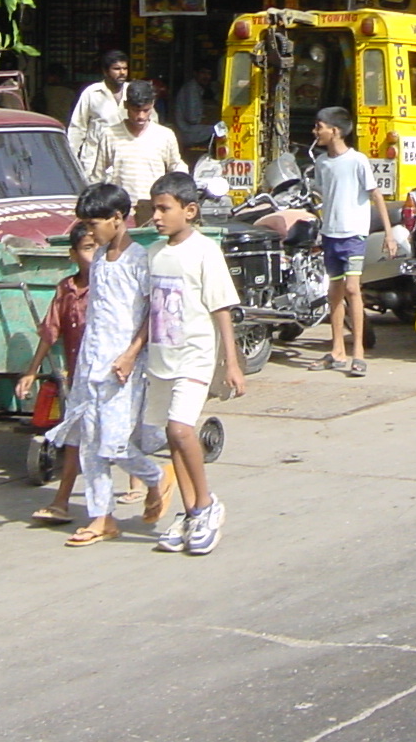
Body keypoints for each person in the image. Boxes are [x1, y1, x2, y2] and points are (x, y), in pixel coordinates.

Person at [43, 184, 170, 547]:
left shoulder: (139, 260)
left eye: (95, 223)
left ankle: (155, 476)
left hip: (123, 366)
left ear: (118, 220)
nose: (90, 231)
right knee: (89, 443)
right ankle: (102, 517)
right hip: (90, 362)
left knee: (113, 444)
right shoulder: (99, 260)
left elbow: (152, 314)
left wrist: (132, 354)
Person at [143, 171, 246, 555]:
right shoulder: (155, 253)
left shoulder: (205, 251)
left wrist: (231, 364)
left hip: (195, 358)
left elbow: (222, 310)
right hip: (161, 360)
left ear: (189, 211)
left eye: (164, 208)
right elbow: (148, 311)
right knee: (170, 436)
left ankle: (206, 505)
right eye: (154, 208)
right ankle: (189, 513)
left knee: (182, 429)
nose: (156, 216)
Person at [287, 106, 401, 379]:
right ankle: (337, 350)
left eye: (319, 127)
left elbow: (376, 196)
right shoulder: (322, 163)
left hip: (353, 235)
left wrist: (388, 233)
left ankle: (358, 353)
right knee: (334, 293)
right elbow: (323, 195)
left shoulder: (358, 160)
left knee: (352, 288)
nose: (315, 132)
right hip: (331, 234)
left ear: (334, 131)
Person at [17, 222, 95, 524]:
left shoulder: (109, 285)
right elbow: (50, 332)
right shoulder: (67, 289)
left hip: (112, 376)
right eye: (87, 249)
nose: (94, 255)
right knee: (75, 438)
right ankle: (61, 502)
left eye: (98, 248)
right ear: (72, 255)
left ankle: (146, 484)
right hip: (79, 377)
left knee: (119, 438)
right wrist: (31, 371)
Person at [97, 81, 184, 221]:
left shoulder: (165, 136)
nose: (141, 116)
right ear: (126, 106)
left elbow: (176, 167)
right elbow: (98, 175)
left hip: (155, 213)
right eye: (136, 110)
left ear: (153, 105)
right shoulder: (110, 135)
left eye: (146, 110)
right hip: (121, 213)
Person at [67, 51, 130, 175]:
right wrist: (70, 158)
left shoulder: (133, 92)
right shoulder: (91, 93)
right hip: (94, 160)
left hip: (124, 158)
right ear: (105, 71)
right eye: (117, 69)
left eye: (125, 68)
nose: (122, 72)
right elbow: (77, 127)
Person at [173, 63, 218, 153]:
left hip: (191, 129)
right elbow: (193, 118)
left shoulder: (197, 88)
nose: (206, 76)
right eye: (203, 73)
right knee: (220, 130)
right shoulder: (191, 89)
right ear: (195, 74)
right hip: (187, 131)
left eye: (208, 74)